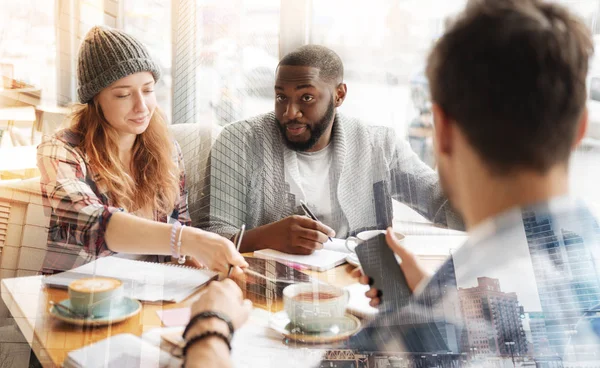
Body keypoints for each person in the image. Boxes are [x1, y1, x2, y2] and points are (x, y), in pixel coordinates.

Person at [349, 0, 600, 364]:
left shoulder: (398, 342)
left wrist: (230, 321)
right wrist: (440, 294)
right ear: (579, 129)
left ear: (443, 131)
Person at [199, 45, 463, 254]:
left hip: (360, 289)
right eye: (281, 97)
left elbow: (440, 201)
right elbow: (209, 238)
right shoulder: (238, 141)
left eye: (306, 98)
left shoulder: (378, 145)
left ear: (339, 95)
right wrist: (265, 237)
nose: (290, 112)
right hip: (264, 291)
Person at [37, 26, 247, 275]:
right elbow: (90, 223)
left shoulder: (166, 148)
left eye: (148, 90)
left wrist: (186, 258)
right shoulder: (60, 151)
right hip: (79, 299)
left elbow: (180, 223)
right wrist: (188, 240)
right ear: (95, 100)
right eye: (123, 94)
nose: (142, 106)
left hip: (152, 292)